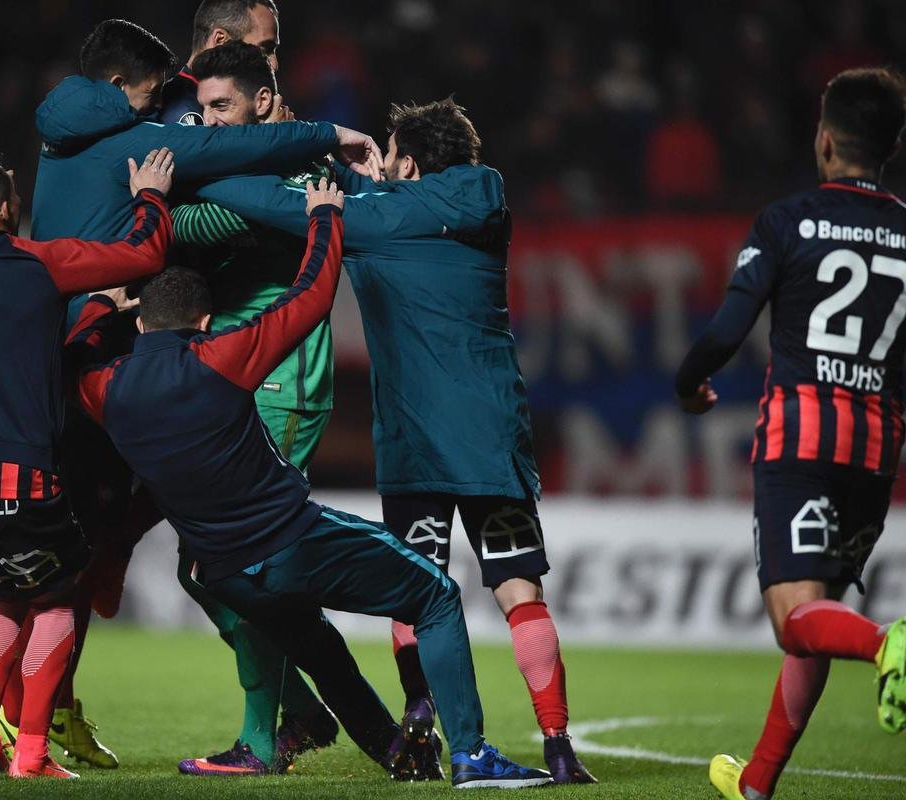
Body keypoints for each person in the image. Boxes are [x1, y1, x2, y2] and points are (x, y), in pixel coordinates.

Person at [69, 177, 552, 790]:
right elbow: (311, 297)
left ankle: (395, 753)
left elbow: (76, 352)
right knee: (436, 597)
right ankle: (473, 756)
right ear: (208, 321)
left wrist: (100, 306)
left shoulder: (104, 389)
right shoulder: (219, 358)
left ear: (141, 328)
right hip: (293, 542)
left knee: (317, 645)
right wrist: (325, 216)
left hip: (224, 572)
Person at [1, 16, 383, 768]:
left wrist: (173, 215)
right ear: (215, 38)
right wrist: (325, 140)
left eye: (274, 52)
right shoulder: (164, 124)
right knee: (113, 554)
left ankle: (284, 728)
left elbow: (235, 195)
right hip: (178, 368)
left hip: (196, 372)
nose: (276, 62)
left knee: (200, 560)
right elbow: (228, 166)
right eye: (265, 44)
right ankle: (34, 718)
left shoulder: (82, 134)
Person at [194, 98, 595, 783]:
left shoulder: (373, 221)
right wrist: (364, 176)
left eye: (389, 151)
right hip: (490, 436)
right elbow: (404, 201)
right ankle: (558, 746)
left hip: (414, 448)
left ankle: (418, 716)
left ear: (407, 161)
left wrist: (203, 169)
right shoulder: (486, 198)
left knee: (417, 589)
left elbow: (276, 205)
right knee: (520, 589)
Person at [0, 144, 173, 779]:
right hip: (18, 470)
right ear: (3, 209)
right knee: (55, 596)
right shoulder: (41, 264)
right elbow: (146, 256)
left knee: (1, 593)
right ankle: (32, 754)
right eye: (14, 194)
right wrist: (151, 197)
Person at [674, 67, 906, 800]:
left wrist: (689, 382)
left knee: (792, 618)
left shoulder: (789, 221)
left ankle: (888, 642)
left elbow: (726, 330)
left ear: (826, 140)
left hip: (801, 439)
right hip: (874, 447)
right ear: (889, 148)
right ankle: (758, 782)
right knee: (819, 610)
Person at [169, 41, 339, 777]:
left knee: (242, 565)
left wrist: (166, 201)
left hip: (282, 382)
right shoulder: (240, 158)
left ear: (266, 102)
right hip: (228, 378)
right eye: (200, 110)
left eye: (222, 108)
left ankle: (263, 741)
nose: (206, 123)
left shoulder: (302, 166)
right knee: (200, 570)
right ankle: (299, 709)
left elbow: (206, 229)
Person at [161, 0, 282, 127]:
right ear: (220, 40)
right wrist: (269, 137)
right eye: (263, 49)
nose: (274, 64)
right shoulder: (182, 111)